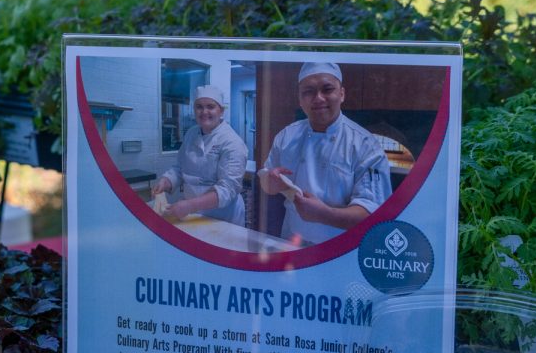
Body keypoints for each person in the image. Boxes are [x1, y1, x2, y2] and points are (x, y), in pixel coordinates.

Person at [259, 61, 392, 244]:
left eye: (327, 89)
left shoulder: (366, 145)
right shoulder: (286, 136)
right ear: (300, 98)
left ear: (342, 94)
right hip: (291, 242)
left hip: (339, 250)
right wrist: (271, 183)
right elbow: (267, 182)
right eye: (309, 92)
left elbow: (372, 214)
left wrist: (324, 215)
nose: (318, 98)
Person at [151, 84, 247, 225]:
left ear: (221, 111)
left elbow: (228, 189)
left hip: (223, 216)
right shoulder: (191, 133)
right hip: (193, 214)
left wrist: (190, 205)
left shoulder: (232, 142)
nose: (204, 111)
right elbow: (180, 168)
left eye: (210, 106)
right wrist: (166, 181)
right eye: (199, 107)